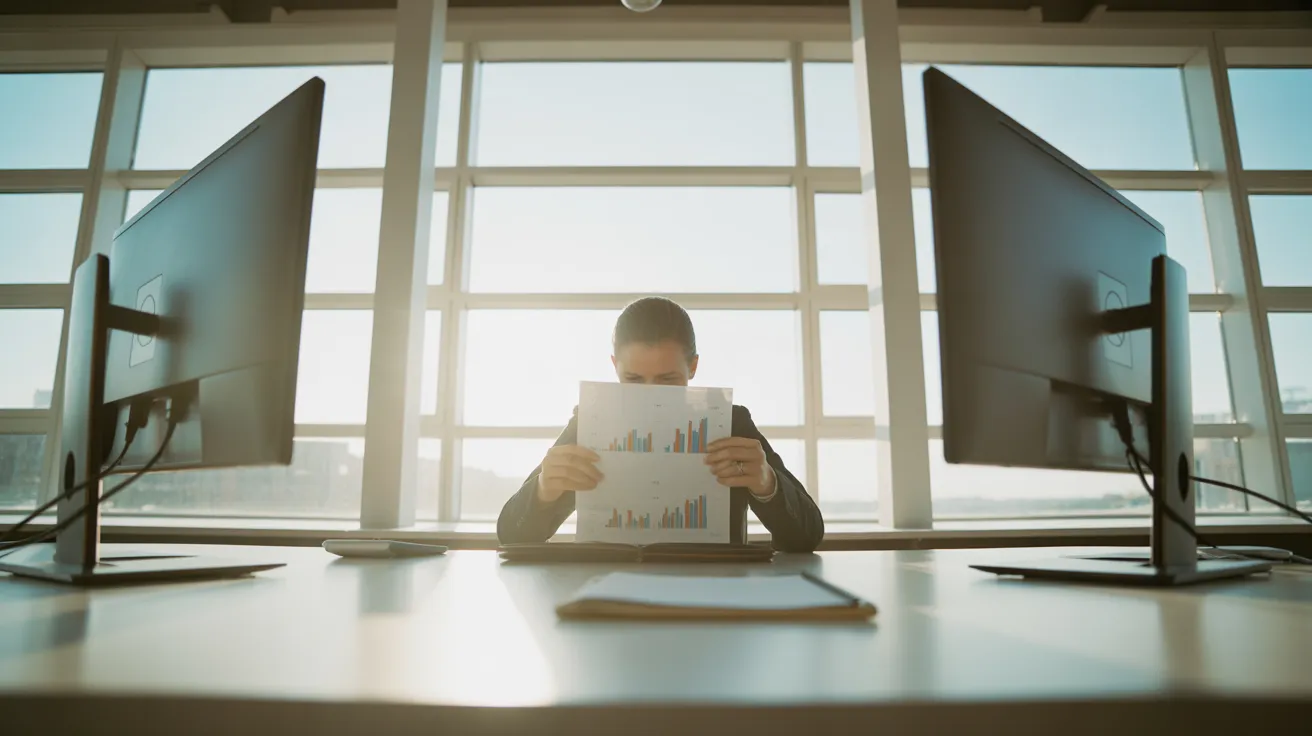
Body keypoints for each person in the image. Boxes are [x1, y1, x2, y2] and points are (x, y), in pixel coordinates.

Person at [496, 297, 824, 553]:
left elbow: (808, 536)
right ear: (615, 367)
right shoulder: (591, 422)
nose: (651, 396)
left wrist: (767, 484)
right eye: (633, 379)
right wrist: (543, 490)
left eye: (667, 380)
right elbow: (511, 534)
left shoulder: (731, 422)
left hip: (711, 593)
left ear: (693, 367)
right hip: (609, 592)